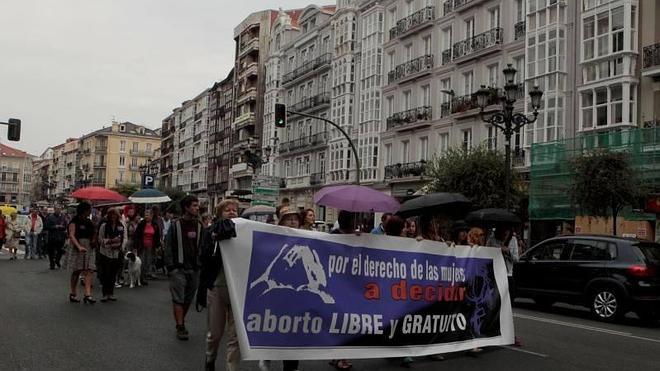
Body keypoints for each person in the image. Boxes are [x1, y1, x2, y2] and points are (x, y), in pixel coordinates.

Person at [259, 206, 302, 371]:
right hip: (276, 292)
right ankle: (266, 355)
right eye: (289, 218)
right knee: (274, 326)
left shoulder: (309, 237)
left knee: (294, 331)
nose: (293, 221)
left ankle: (291, 365)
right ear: (282, 221)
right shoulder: (272, 237)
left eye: (295, 218)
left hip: (297, 293)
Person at [202, 199, 240, 371]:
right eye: (228, 210)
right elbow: (204, 256)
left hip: (237, 290)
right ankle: (210, 358)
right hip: (218, 286)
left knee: (235, 336)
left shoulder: (243, 231)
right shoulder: (210, 232)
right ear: (219, 214)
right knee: (215, 334)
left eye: (234, 210)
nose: (232, 212)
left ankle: (231, 367)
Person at [164, 195, 204, 340]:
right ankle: (180, 326)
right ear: (186, 208)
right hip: (178, 269)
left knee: (188, 299)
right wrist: (171, 268)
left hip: (194, 269)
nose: (197, 208)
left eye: (197, 205)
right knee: (178, 299)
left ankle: (181, 321)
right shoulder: (175, 225)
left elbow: (202, 246)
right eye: (194, 205)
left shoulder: (200, 225)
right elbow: (167, 247)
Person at [329, 210, 356, 370]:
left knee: (346, 322)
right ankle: (340, 357)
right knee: (340, 322)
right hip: (336, 286)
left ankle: (338, 356)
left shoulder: (355, 236)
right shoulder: (334, 236)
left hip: (350, 286)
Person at [67, 202, 97, 304]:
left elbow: (93, 233)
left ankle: (87, 294)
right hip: (77, 245)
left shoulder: (89, 221)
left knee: (89, 270)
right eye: (89, 209)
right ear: (84, 210)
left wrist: (93, 239)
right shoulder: (74, 221)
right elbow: (72, 235)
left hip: (88, 246)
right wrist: (79, 246)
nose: (90, 211)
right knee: (77, 270)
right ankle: (73, 293)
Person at [97, 208, 124, 302]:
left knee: (113, 273)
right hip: (105, 252)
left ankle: (111, 293)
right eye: (111, 215)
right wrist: (110, 241)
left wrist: (117, 243)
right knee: (105, 273)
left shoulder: (120, 226)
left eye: (115, 215)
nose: (113, 217)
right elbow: (100, 239)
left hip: (116, 253)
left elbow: (121, 239)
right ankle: (105, 294)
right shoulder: (104, 226)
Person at [134, 209, 161, 283]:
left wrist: (158, 246)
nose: (146, 216)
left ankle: (144, 277)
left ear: (151, 216)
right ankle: (138, 278)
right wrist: (135, 246)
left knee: (148, 262)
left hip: (151, 246)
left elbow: (157, 236)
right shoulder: (141, 224)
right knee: (141, 262)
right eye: (145, 215)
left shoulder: (155, 225)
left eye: (147, 215)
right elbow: (136, 235)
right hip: (142, 246)